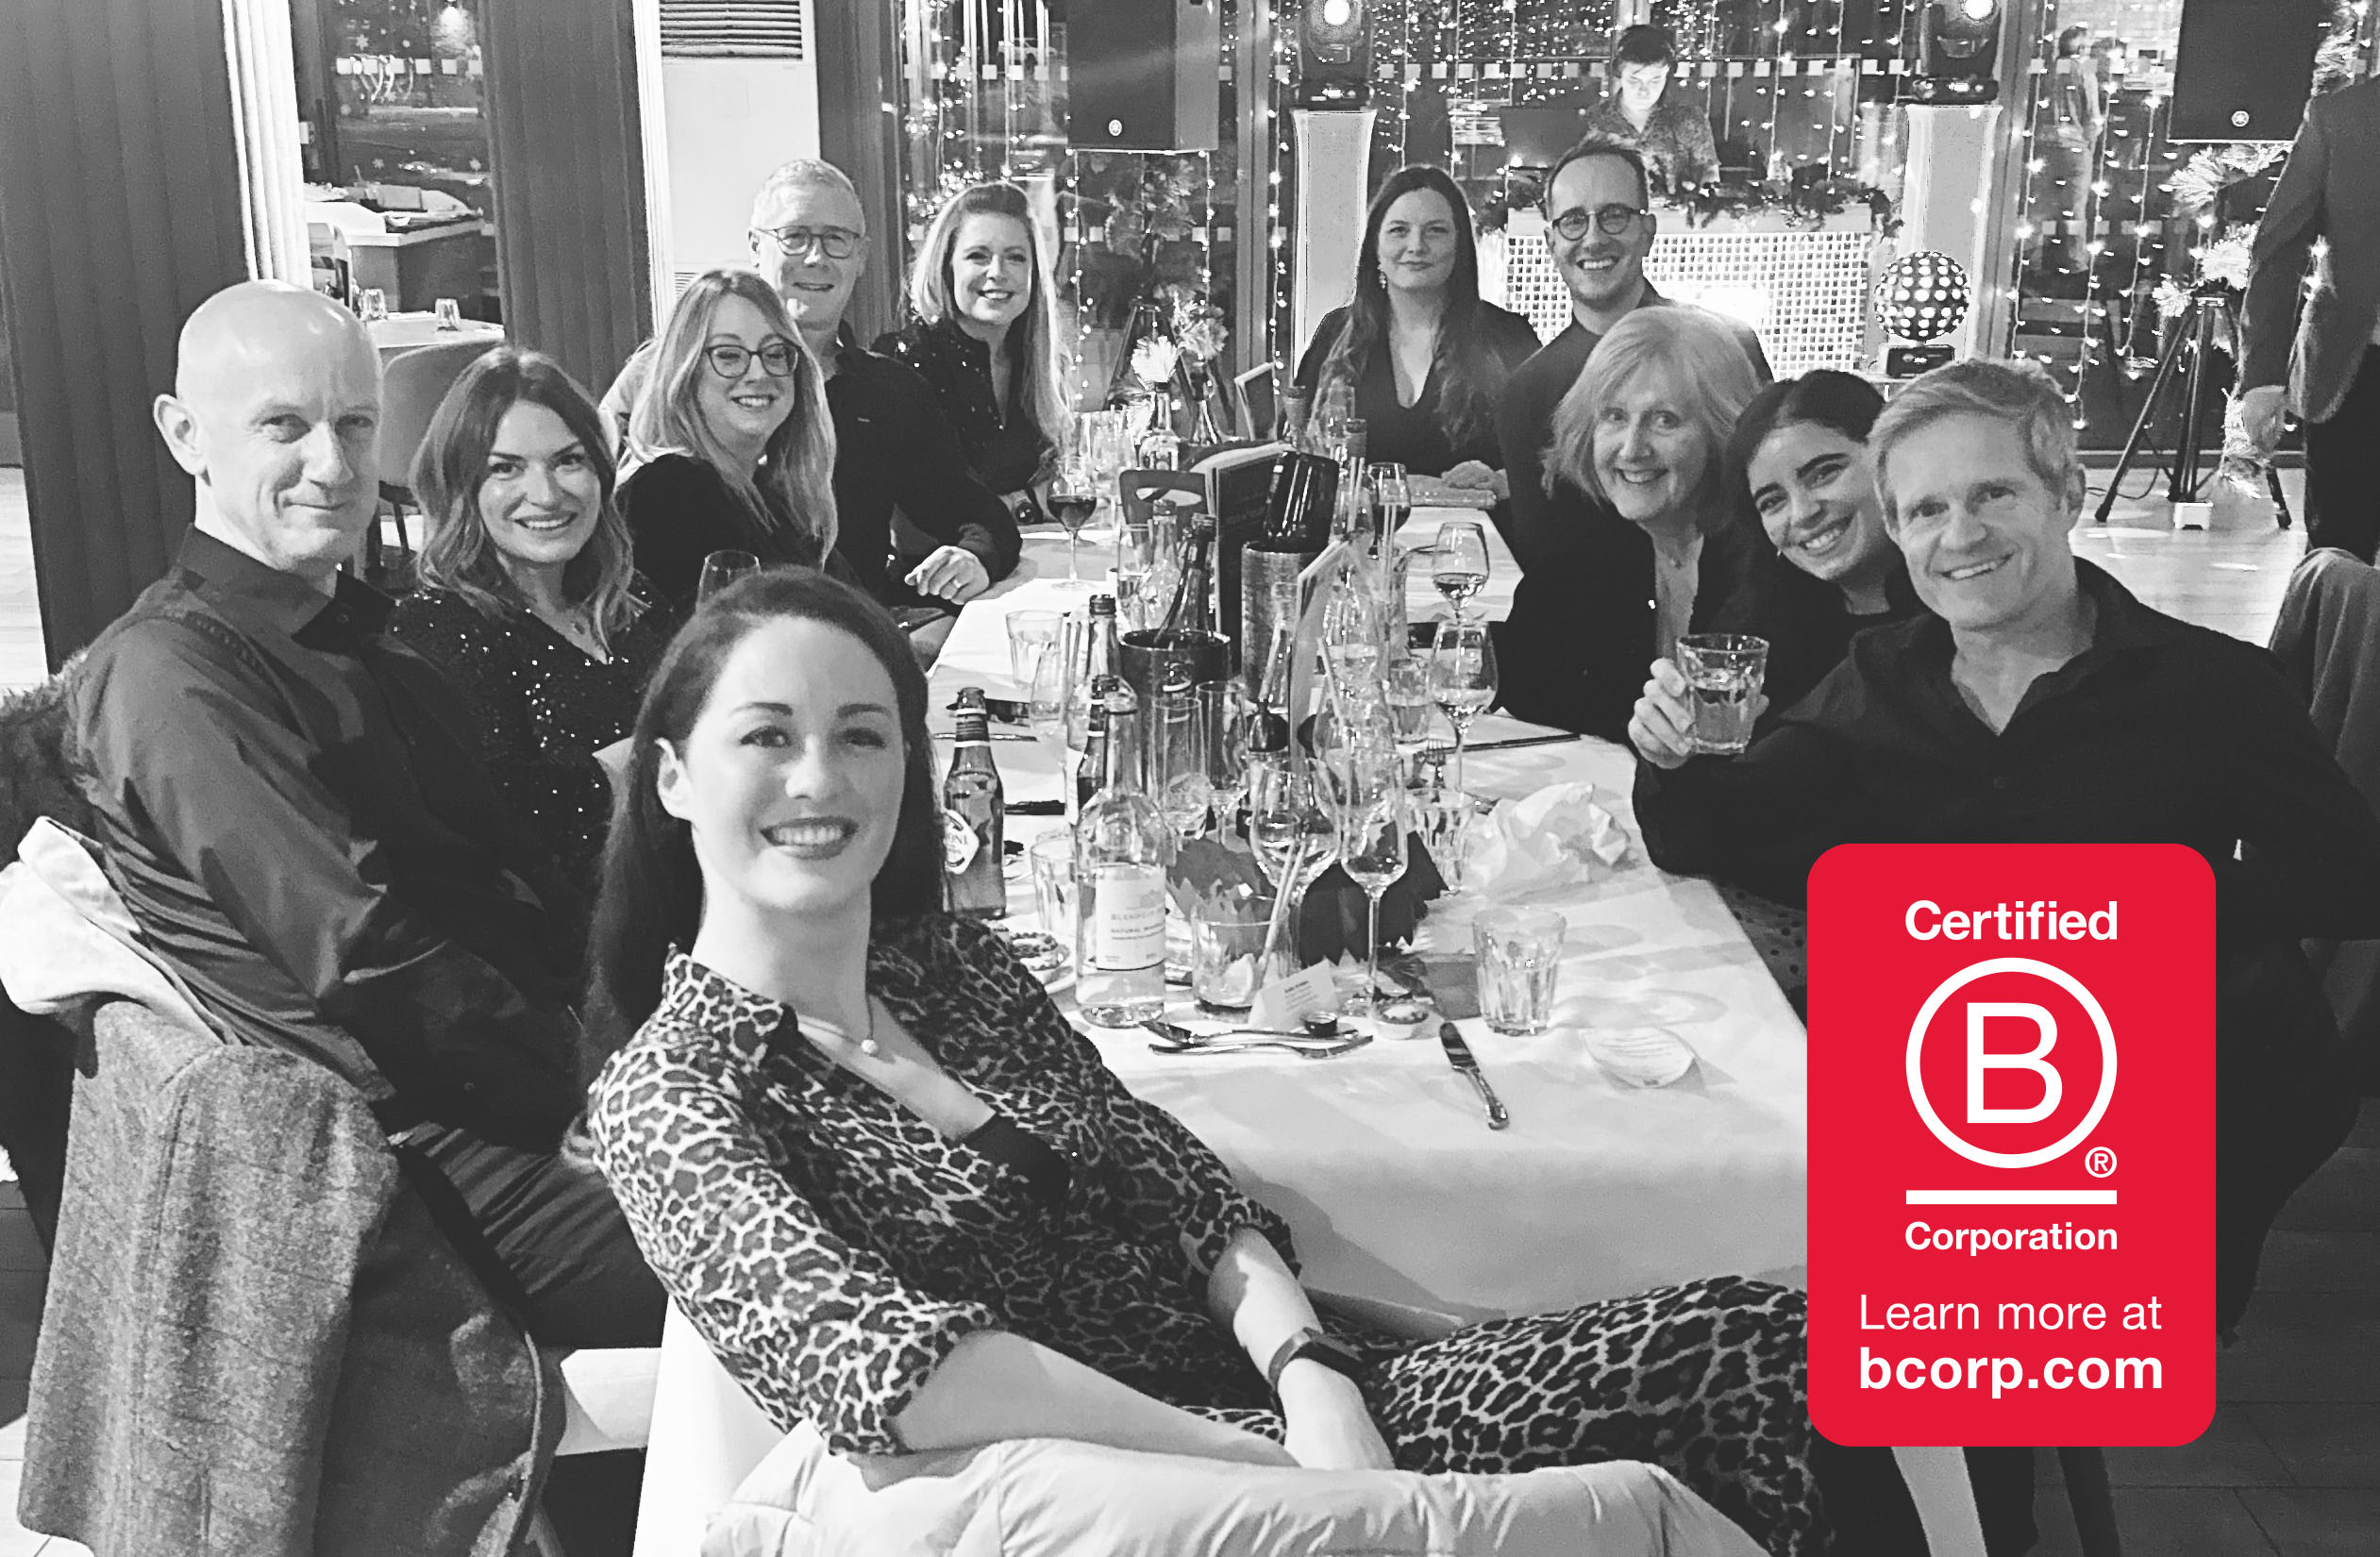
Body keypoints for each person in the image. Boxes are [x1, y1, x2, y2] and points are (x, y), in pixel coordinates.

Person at [573, 564, 1949, 1556]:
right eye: (767, 737)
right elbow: (888, 1367)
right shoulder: (676, 1092)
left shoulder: (952, 971)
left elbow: (1172, 1177)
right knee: (1744, 1383)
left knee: (1773, 1350)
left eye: (861, 735)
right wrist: (1262, 1453)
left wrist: (1308, 1370)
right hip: (1161, 1496)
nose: (820, 778)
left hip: (1295, 1401)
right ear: (674, 775)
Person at [1631, 359, 2380, 1336]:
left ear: (2064, 494)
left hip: (2196, 1089)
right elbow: (1714, 833)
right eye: (1926, 510)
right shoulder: (1882, 677)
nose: (1960, 535)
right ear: (1898, 532)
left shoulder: (2211, 687)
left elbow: (2351, 880)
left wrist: (2136, 901)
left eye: (1992, 494)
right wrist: (1670, 757)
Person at [68, 278, 664, 1349]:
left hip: (516, 1083)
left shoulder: (366, 638)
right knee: (831, 1263)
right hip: (420, 1159)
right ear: (185, 435)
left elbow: (513, 878)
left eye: (352, 423)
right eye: (282, 426)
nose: (333, 465)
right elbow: (369, 959)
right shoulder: (171, 675)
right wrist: (589, 1091)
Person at [602, 159, 1021, 639]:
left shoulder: (885, 396)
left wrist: (972, 557)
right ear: (756, 246)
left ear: (861, 256)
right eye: (795, 237)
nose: (816, 257)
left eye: (836, 239)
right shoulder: (664, 432)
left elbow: (976, 513)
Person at [390, 347, 678, 929]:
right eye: (506, 469)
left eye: (568, 461)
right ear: (461, 485)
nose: (545, 494)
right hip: (580, 947)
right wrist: (640, 758)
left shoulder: (628, 596)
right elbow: (501, 822)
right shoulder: (438, 627)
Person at [1493, 136, 1769, 572]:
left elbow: (1762, 514)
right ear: (1550, 242)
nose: (1593, 238)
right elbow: (1545, 566)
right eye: (1573, 221)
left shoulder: (1729, 347)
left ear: (1647, 231)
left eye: (1614, 216)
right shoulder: (1527, 393)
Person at [1494, 305, 1765, 741]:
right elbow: (1526, 678)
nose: (1632, 449)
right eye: (1615, 417)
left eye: (1665, 420)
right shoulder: (1590, 542)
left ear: (1721, 430)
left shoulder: (1762, 561)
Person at [1291, 165, 1540, 491]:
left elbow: (1552, 459)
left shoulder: (1508, 336)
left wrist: (1502, 481)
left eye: (1435, 231)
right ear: (1375, 247)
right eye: (1399, 230)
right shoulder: (1335, 334)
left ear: (1460, 246)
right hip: (1360, 523)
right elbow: (1298, 450)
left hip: (1473, 523)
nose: (1416, 245)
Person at [618, 267, 847, 611]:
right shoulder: (669, 490)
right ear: (685, 371)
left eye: (775, 353)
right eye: (728, 355)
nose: (758, 373)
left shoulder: (778, 498)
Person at [1704, 370, 1922, 722]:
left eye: (1824, 474)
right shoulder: (1758, 633)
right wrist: (1672, 739)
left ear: (1888, 459)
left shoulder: (1961, 615)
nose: (1803, 513)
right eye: (1773, 501)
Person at [2238, 68, 2380, 561]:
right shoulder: (2340, 117)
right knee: (2338, 560)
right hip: (2356, 372)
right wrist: (2262, 377)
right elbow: (2279, 250)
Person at [875, 180, 1069, 527]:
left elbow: (1063, 484)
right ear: (946, 266)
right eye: (978, 256)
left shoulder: (1037, 365)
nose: (997, 272)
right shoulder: (906, 361)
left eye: (1015, 258)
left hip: (1031, 556)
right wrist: (1026, 505)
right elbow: (916, 521)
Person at [1580, 25, 1718, 196]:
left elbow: (1709, 172)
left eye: (1654, 81)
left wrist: (1706, 192)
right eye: (1634, 80)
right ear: (1619, 72)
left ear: (1668, 75)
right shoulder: (1594, 122)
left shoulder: (1687, 119)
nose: (1644, 90)